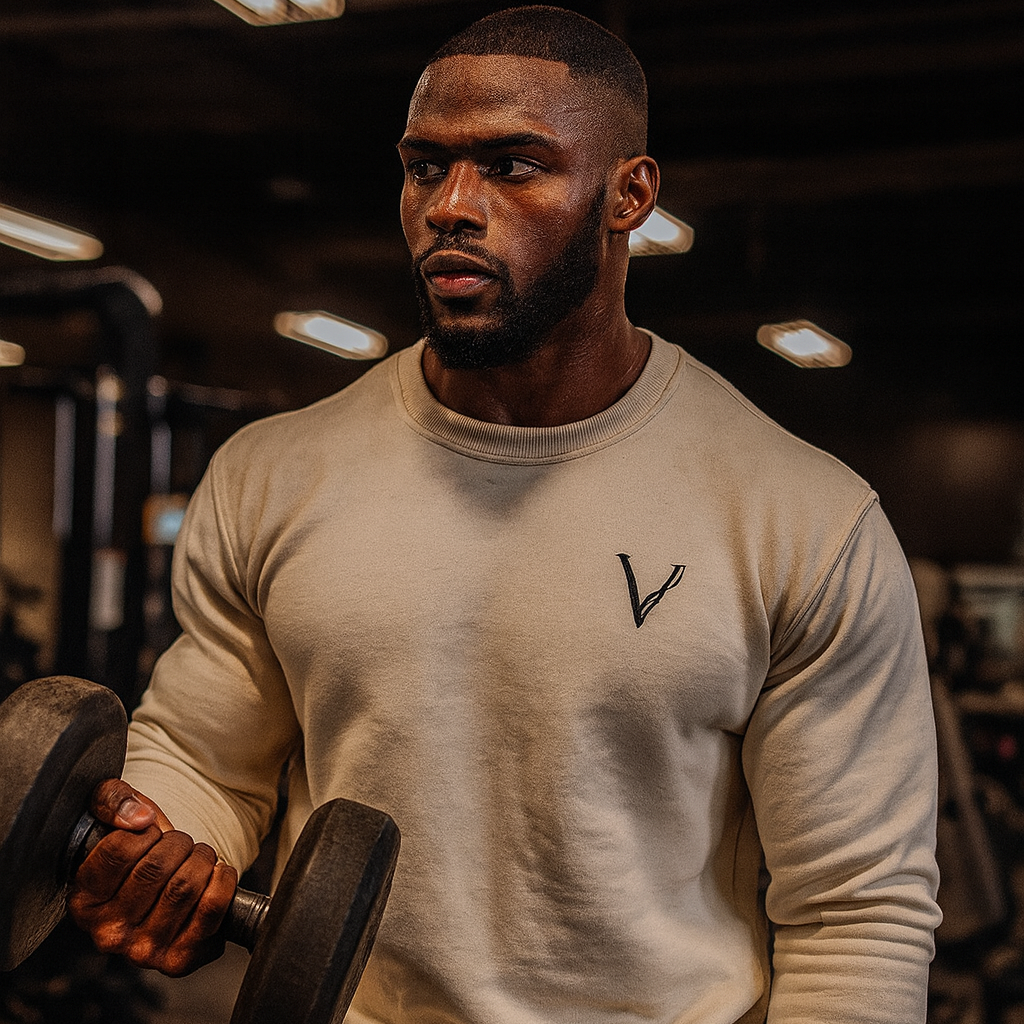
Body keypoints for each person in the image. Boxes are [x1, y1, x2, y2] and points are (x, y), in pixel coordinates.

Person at [69, 7, 942, 1022]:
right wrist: (153, 844)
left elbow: (856, 910)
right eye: (423, 166)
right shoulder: (272, 474)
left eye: (513, 165)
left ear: (630, 196)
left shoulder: (802, 518)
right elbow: (206, 761)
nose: (451, 205)